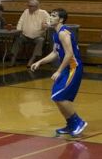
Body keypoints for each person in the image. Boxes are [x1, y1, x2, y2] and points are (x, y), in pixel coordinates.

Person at [31, 8, 87, 137]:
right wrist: (40, 62)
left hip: (74, 68)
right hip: (67, 68)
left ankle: (78, 122)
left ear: (61, 19)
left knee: (59, 97)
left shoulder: (63, 33)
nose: (50, 17)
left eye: (54, 16)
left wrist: (58, 71)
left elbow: (69, 54)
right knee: (57, 97)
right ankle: (71, 124)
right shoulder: (55, 33)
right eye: (50, 15)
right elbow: (55, 53)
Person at [9, 0, 49, 67]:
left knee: (41, 40)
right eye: (29, 6)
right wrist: (18, 30)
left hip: (38, 36)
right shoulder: (26, 11)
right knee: (18, 38)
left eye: (31, 6)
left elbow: (49, 22)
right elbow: (20, 22)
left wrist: (46, 25)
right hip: (25, 35)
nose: (29, 8)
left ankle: (32, 59)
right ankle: (13, 58)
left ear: (37, 7)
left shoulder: (43, 13)